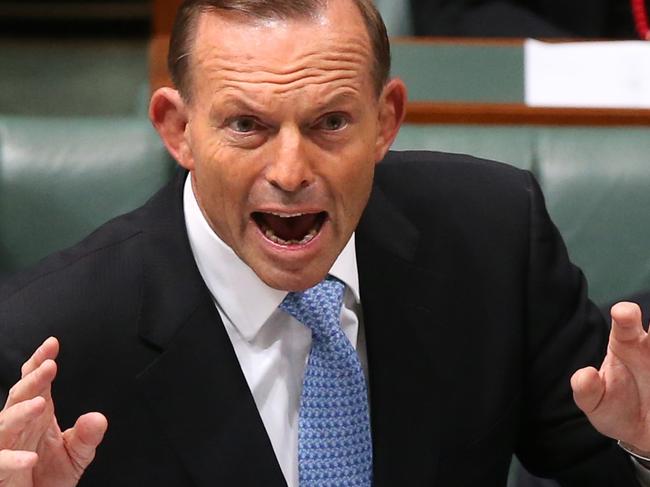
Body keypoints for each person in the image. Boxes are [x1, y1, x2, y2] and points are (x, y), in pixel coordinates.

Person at [0, 0, 650, 485]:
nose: (290, 171)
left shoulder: (494, 240)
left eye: (331, 122)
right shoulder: (44, 343)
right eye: (248, 125)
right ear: (179, 130)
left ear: (385, 120)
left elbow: (605, 464)